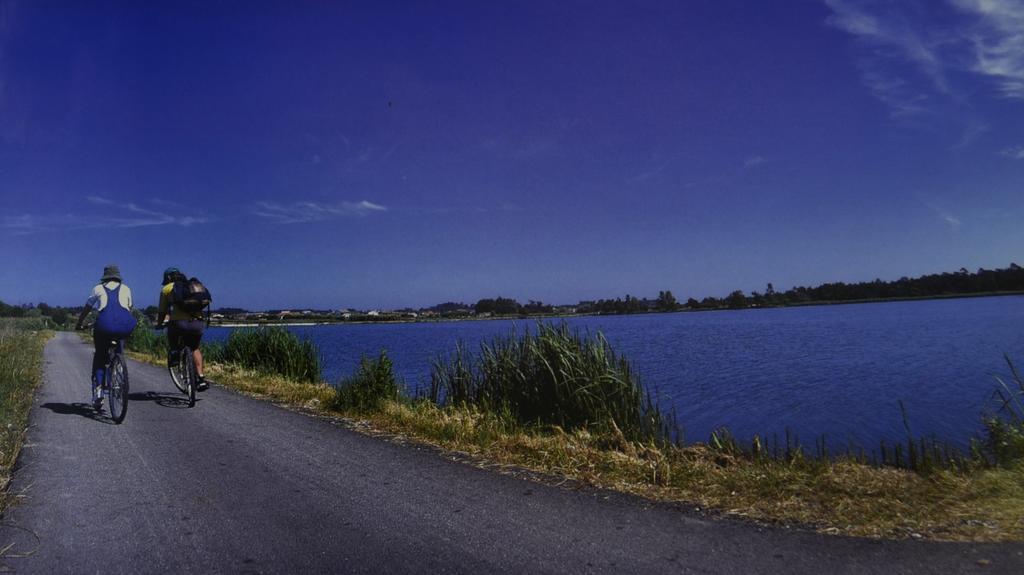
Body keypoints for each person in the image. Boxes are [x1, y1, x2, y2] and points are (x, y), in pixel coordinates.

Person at [76, 265, 137, 409]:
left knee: (100, 356)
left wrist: (79, 323)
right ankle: (119, 368)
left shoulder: (97, 288)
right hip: (125, 325)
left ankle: (98, 392)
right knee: (119, 348)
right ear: (117, 276)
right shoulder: (126, 288)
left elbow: (87, 308)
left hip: (104, 325)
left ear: (105, 276)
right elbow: (130, 308)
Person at [156, 267, 208, 391]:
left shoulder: (167, 289)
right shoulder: (193, 286)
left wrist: (159, 324)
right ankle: (201, 378)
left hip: (179, 324)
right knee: (195, 348)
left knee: (172, 334)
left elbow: (162, 311)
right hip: (197, 323)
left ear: (168, 278)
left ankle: (174, 354)